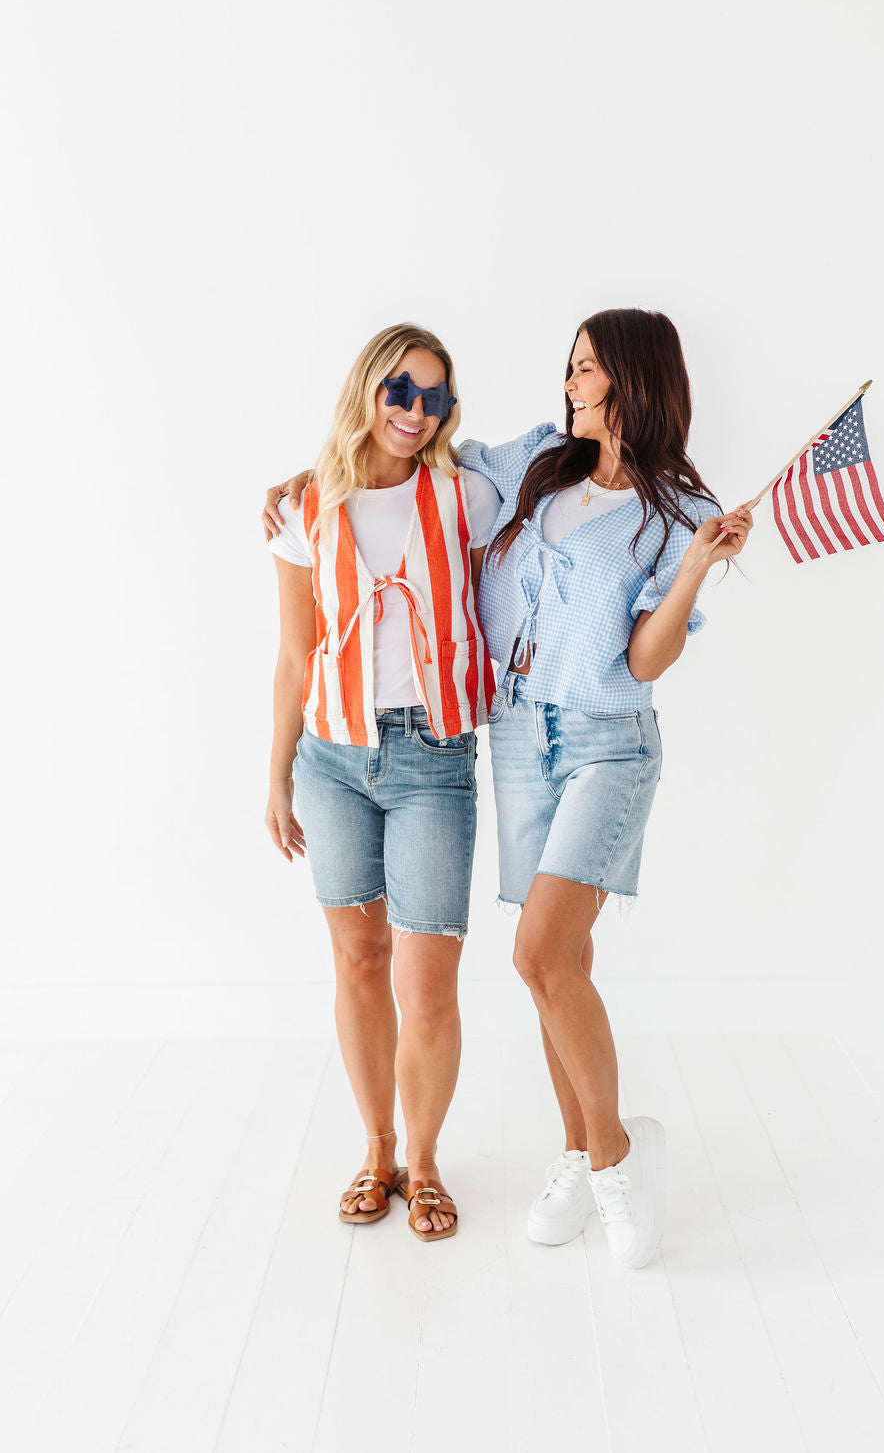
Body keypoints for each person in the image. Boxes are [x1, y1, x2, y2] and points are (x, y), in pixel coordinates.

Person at [264, 308, 752, 1268]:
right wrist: (304, 477)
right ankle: (570, 1151)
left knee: (537, 955)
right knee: (553, 962)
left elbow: (644, 660)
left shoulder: (674, 511)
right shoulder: (535, 464)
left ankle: (613, 1156)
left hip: (597, 740)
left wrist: (695, 568)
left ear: (632, 379)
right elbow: (398, 463)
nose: (569, 384)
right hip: (516, 736)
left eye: (586, 370)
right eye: (570, 368)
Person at [265, 322, 499, 1242]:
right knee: (358, 961)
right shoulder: (304, 507)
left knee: (426, 981)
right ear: (367, 386)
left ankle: (426, 1162)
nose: (414, 410)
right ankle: (377, 1149)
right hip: (331, 759)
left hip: (433, 758)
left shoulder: (466, 496)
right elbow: (294, 656)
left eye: (434, 397)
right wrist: (276, 776)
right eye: (400, 388)